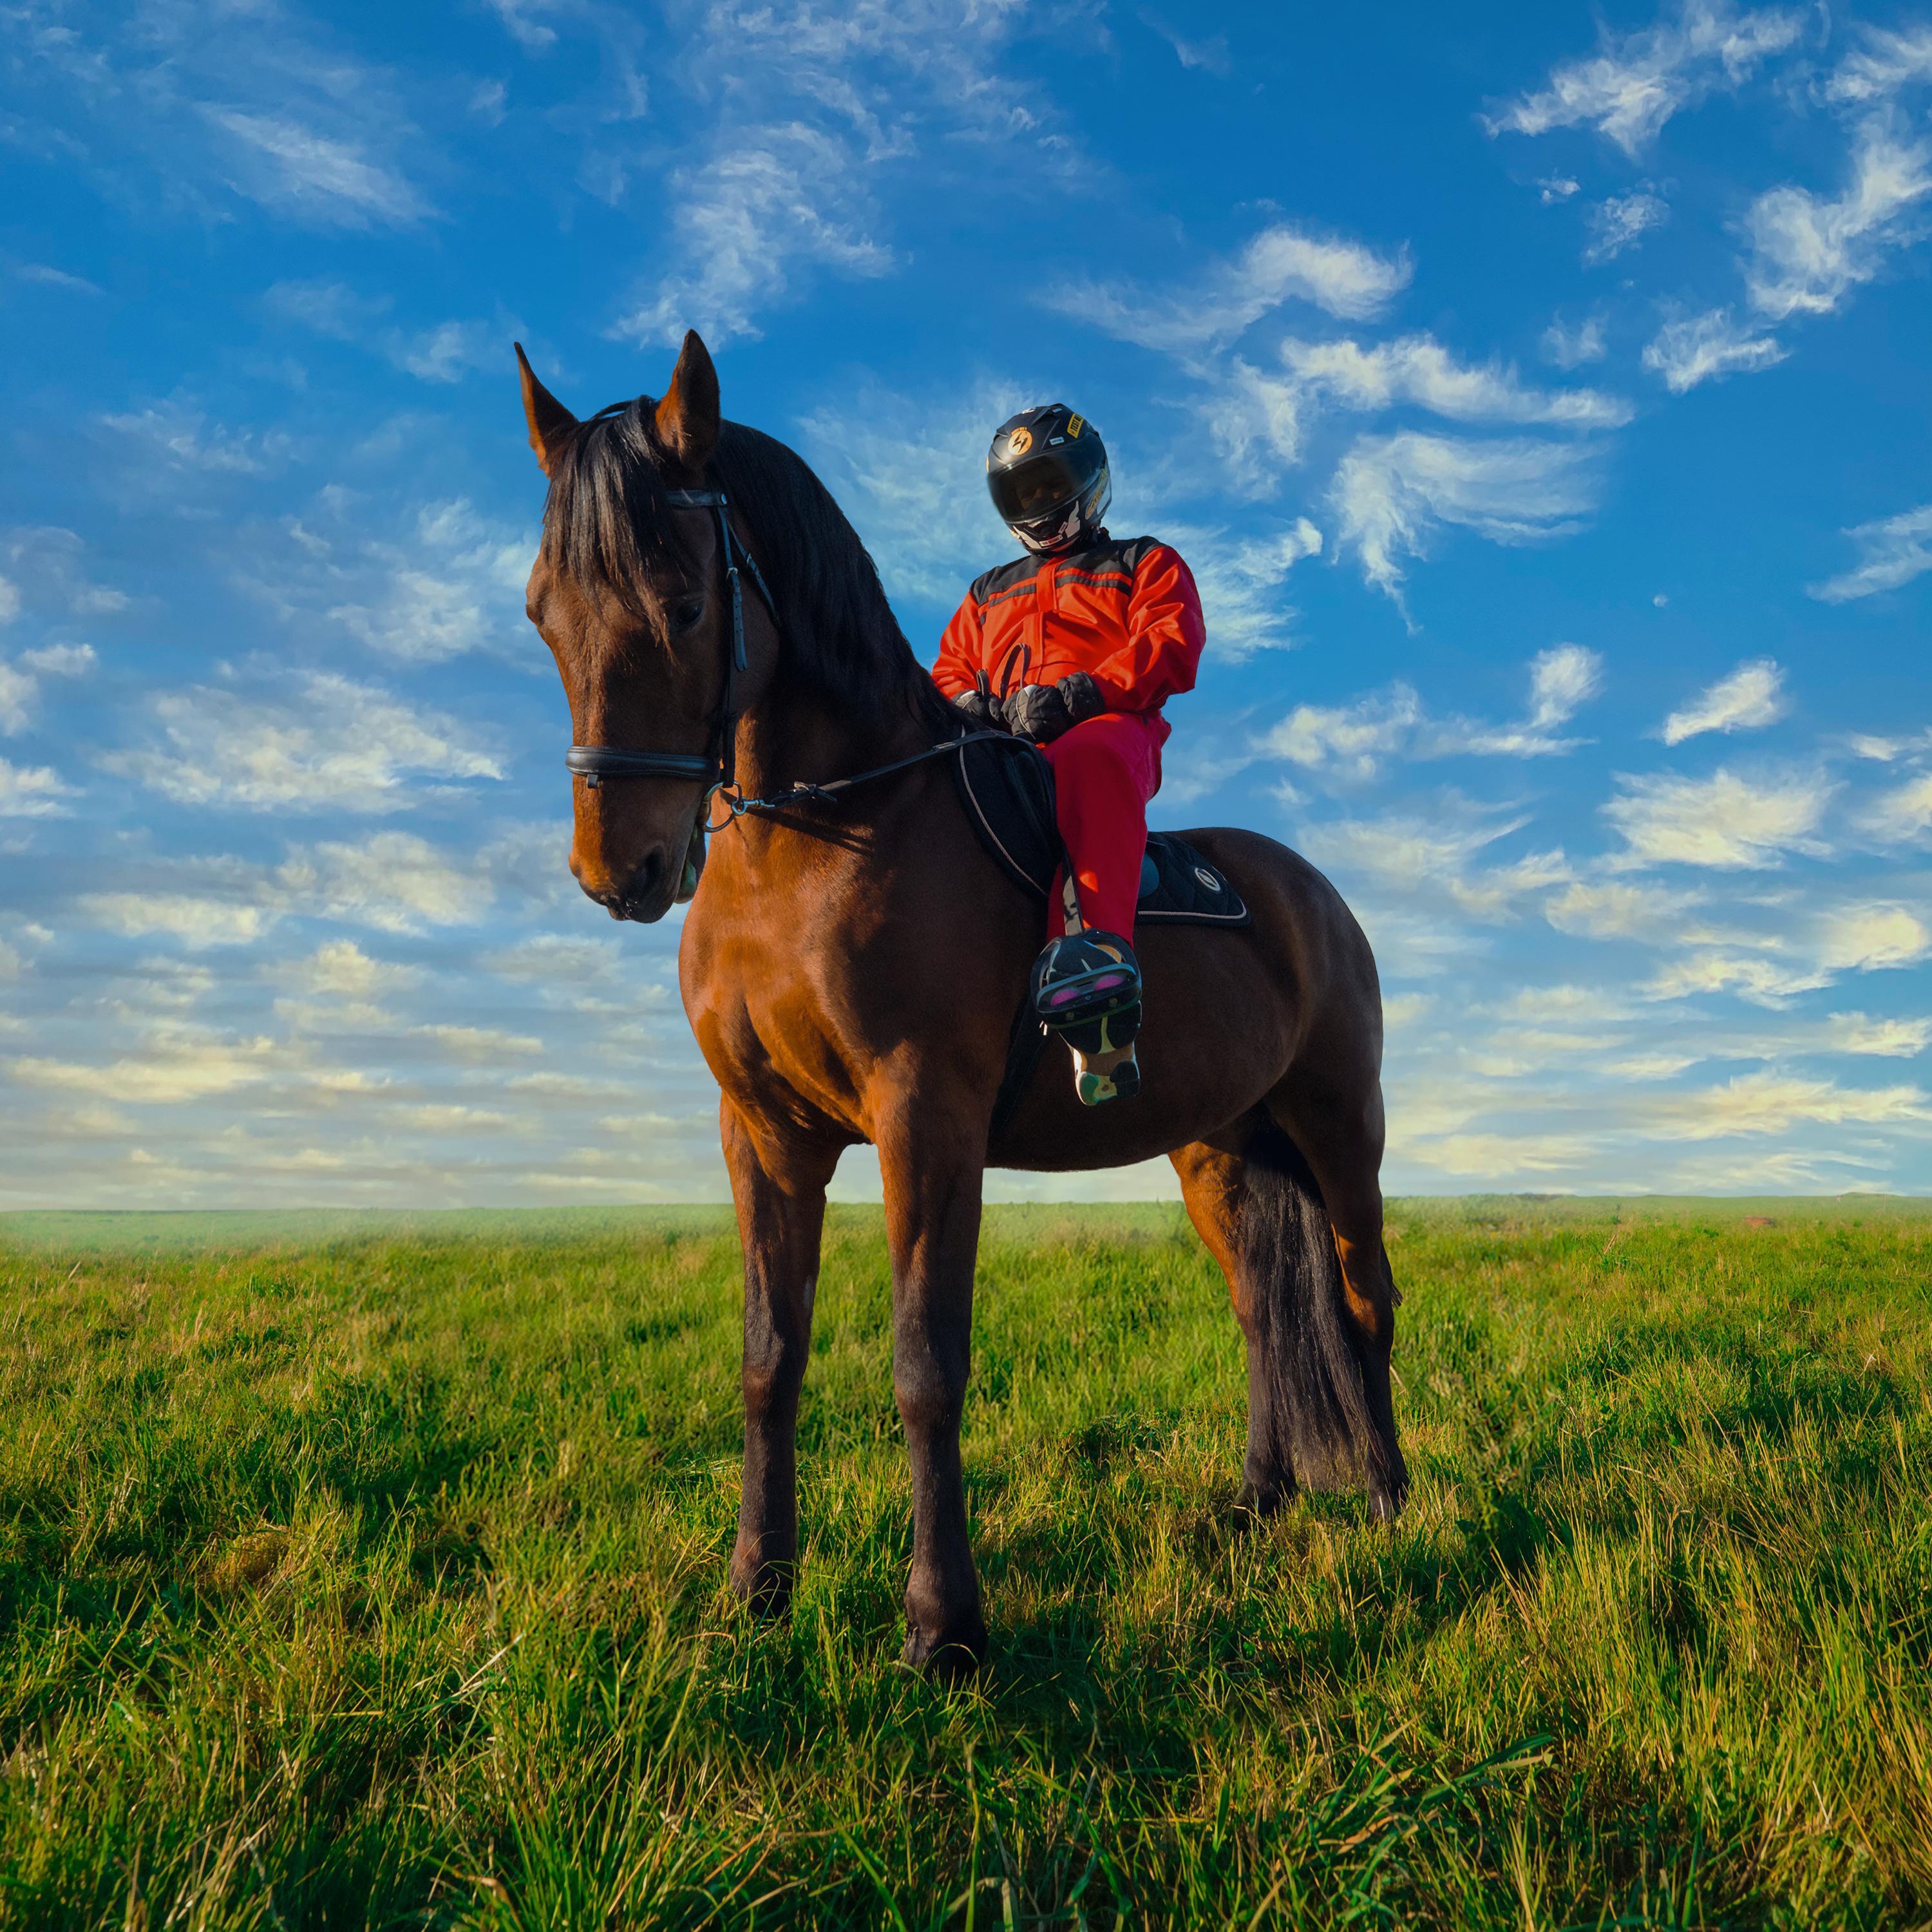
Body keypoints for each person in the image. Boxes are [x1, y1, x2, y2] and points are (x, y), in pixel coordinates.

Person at [933, 405, 1206, 1105]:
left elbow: (1171, 643)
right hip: (1004, 741)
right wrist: (981, 710)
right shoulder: (985, 591)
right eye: (1023, 492)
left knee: (1090, 755)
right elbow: (949, 672)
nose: (1040, 503)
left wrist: (1080, 696)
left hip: (1111, 731)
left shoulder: (1145, 561)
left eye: (1052, 485)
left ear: (1090, 481)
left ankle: (1097, 983)